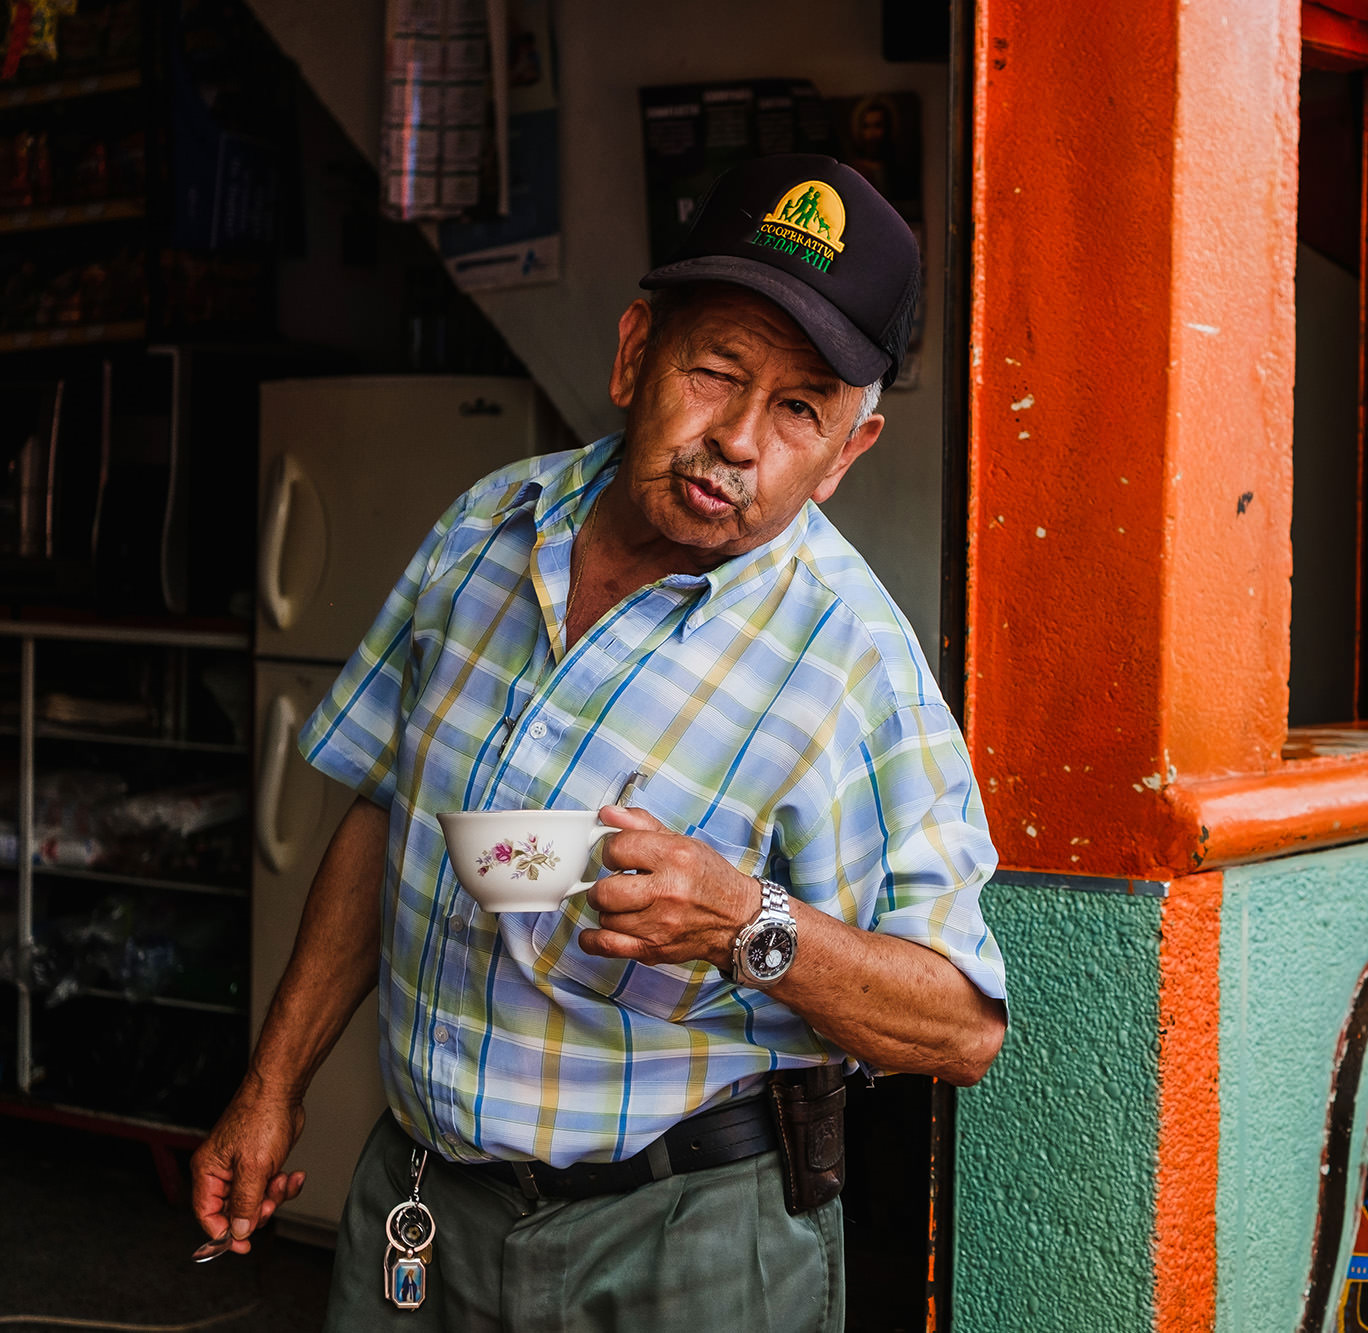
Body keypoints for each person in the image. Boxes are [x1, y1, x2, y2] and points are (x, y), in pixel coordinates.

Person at [190, 154, 1007, 1330]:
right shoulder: (486, 527)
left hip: (682, 1249)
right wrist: (271, 1088)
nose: (736, 439)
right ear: (634, 353)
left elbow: (962, 1024)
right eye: (713, 369)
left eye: (797, 409)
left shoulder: (851, 666)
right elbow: (388, 814)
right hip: (419, 1206)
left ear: (845, 453)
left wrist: (746, 923)